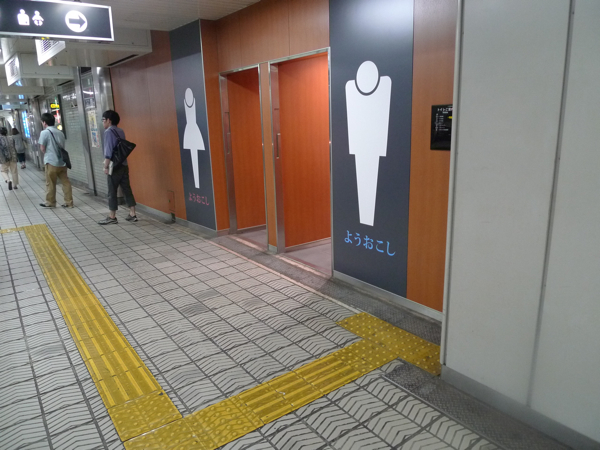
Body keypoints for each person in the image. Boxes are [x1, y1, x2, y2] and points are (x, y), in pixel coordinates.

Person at [98, 110, 137, 225]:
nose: (103, 122)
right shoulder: (120, 131)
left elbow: (108, 151)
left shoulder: (108, 132)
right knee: (127, 189)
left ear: (109, 120)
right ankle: (132, 213)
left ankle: (112, 216)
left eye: (103, 120)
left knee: (112, 191)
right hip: (123, 164)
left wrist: (105, 166)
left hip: (113, 166)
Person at [38, 112, 73, 208]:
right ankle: (69, 202)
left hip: (51, 162)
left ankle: (50, 202)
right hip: (62, 162)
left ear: (44, 122)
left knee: (50, 183)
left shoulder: (44, 132)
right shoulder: (60, 133)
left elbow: (42, 148)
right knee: (66, 182)